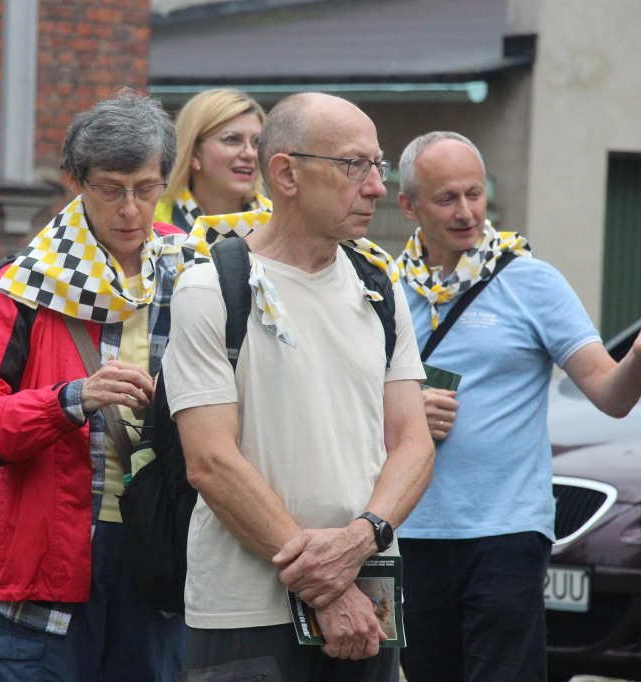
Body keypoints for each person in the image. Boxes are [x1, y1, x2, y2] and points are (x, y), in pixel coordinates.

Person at [393, 131, 641, 681]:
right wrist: (401, 410)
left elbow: (610, 395)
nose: (467, 212)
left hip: (507, 533)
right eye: (446, 199)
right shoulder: (387, 290)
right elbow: (347, 403)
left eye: (475, 194)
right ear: (408, 205)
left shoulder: (531, 283)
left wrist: (639, 357)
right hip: (410, 532)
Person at [161, 92, 435, 681]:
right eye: (353, 165)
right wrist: (325, 586)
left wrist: (362, 542)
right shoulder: (211, 288)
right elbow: (210, 461)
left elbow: (413, 442)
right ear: (286, 172)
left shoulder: (379, 285)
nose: (376, 187)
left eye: (377, 165)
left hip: (369, 602)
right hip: (245, 612)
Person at [0, 90, 187, 681]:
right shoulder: (19, 286)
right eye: (110, 188)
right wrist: (70, 400)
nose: (131, 209)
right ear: (76, 181)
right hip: (49, 551)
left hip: (162, 544)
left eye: (146, 188)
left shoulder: (193, 272)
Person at [155, 88, 271, 232]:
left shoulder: (283, 224)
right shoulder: (149, 223)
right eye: (232, 139)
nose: (249, 153)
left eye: (256, 142)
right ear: (194, 153)